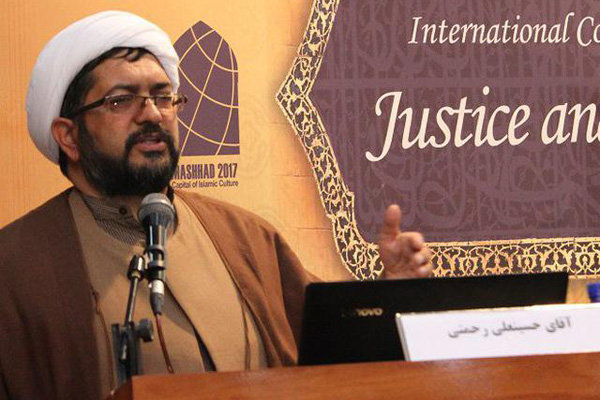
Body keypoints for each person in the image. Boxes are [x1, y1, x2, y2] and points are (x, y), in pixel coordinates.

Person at [0, 11, 432, 400]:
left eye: (163, 96)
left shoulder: (243, 237)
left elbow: (331, 353)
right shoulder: (16, 266)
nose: (152, 114)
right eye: (121, 100)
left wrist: (389, 292)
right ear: (68, 136)